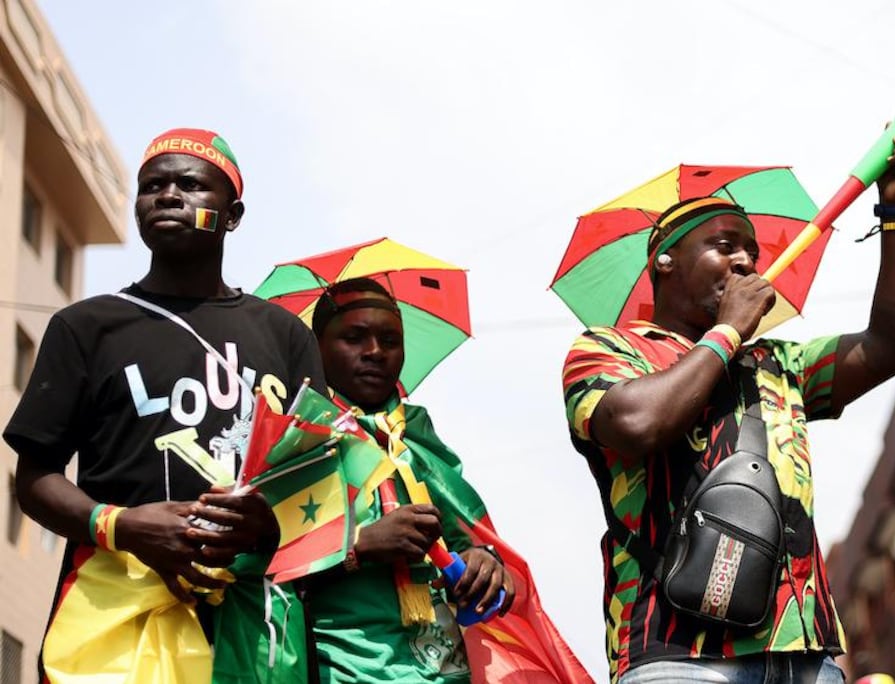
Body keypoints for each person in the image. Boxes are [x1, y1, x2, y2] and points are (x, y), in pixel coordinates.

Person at [561, 130, 895, 683]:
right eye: (723, 245)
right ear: (664, 262)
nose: (746, 259)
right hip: (678, 656)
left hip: (804, 659)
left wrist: (894, 214)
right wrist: (727, 332)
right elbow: (636, 423)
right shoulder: (608, 349)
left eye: (751, 248)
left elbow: (894, 342)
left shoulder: (778, 362)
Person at [3, 128, 323, 682]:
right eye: (153, 186)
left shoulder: (286, 336)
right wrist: (121, 525)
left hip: (253, 619)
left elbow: (319, 487)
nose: (168, 196)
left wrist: (262, 526)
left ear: (233, 214)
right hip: (114, 614)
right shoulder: (87, 327)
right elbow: (32, 477)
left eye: (191, 185)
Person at [306, 277, 515, 683]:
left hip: (446, 668)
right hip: (346, 667)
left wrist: (484, 562)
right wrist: (360, 546)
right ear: (316, 346)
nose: (375, 352)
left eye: (390, 340)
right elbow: (260, 564)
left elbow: (469, 534)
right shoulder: (298, 434)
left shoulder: (416, 430)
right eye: (354, 337)